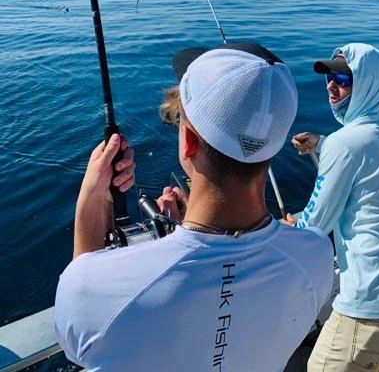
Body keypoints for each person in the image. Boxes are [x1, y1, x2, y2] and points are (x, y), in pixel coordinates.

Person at [54, 43, 334, 371]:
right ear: (272, 146)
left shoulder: (92, 284)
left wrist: (91, 202)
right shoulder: (315, 256)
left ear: (188, 141)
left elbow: (78, 341)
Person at [289, 43, 379, 372]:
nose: (331, 85)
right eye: (328, 76)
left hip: (370, 311)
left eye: (342, 77)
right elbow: (363, 156)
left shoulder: (345, 144)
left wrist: (285, 228)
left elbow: (313, 225)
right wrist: (322, 143)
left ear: (367, 83)